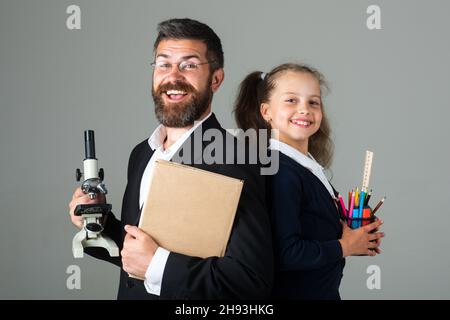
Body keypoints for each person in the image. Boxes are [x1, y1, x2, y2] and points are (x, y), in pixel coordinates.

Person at [68, 18, 273, 299]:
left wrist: (157, 265)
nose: (173, 77)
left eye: (189, 65)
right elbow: (138, 254)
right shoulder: (142, 153)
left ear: (216, 79)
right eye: (163, 64)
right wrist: (99, 225)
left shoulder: (235, 159)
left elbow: (250, 281)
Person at [233, 63, 385, 299]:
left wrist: (353, 234)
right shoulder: (280, 171)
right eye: (291, 100)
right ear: (266, 112)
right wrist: (345, 246)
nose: (304, 110)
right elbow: (285, 252)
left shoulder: (304, 165)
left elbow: (311, 227)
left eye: (313, 102)